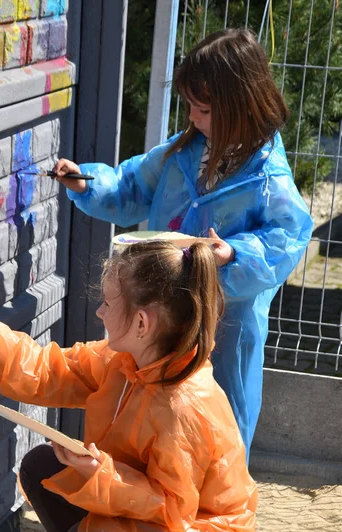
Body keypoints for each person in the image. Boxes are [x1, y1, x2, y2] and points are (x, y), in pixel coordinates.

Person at [0, 240, 257, 532]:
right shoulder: (125, 361)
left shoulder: (184, 406)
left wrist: (103, 475)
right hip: (153, 508)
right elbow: (50, 369)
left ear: (143, 324)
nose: (99, 311)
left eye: (108, 303)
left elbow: (175, 508)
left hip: (203, 530)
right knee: (44, 467)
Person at [53, 28, 314, 456]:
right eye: (189, 105)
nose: (192, 117)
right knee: (157, 416)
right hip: (168, 311)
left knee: (221, 428)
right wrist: (86, 182)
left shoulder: (270, 180)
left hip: (226, 325)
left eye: (203, 108)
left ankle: (212, 519)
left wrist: (235, 253)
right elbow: (131, 185)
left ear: (239, 107)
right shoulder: (185, 151)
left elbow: (286, 239)